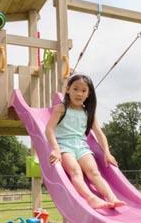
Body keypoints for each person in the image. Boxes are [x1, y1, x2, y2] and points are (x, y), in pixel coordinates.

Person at [46, 74, 126, 209]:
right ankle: (91, 198)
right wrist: (55, 149)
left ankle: (111, 197)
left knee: (94, 173)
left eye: (84, 91)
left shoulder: (88, 113)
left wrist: (107, 152)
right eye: (76, 89)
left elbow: (99, 134)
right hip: (64, 146)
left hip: (82, 147)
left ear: (88, 94)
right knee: (76, 172)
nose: (79, 93)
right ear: (68, 90)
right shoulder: (61, 108)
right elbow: (49, 129)